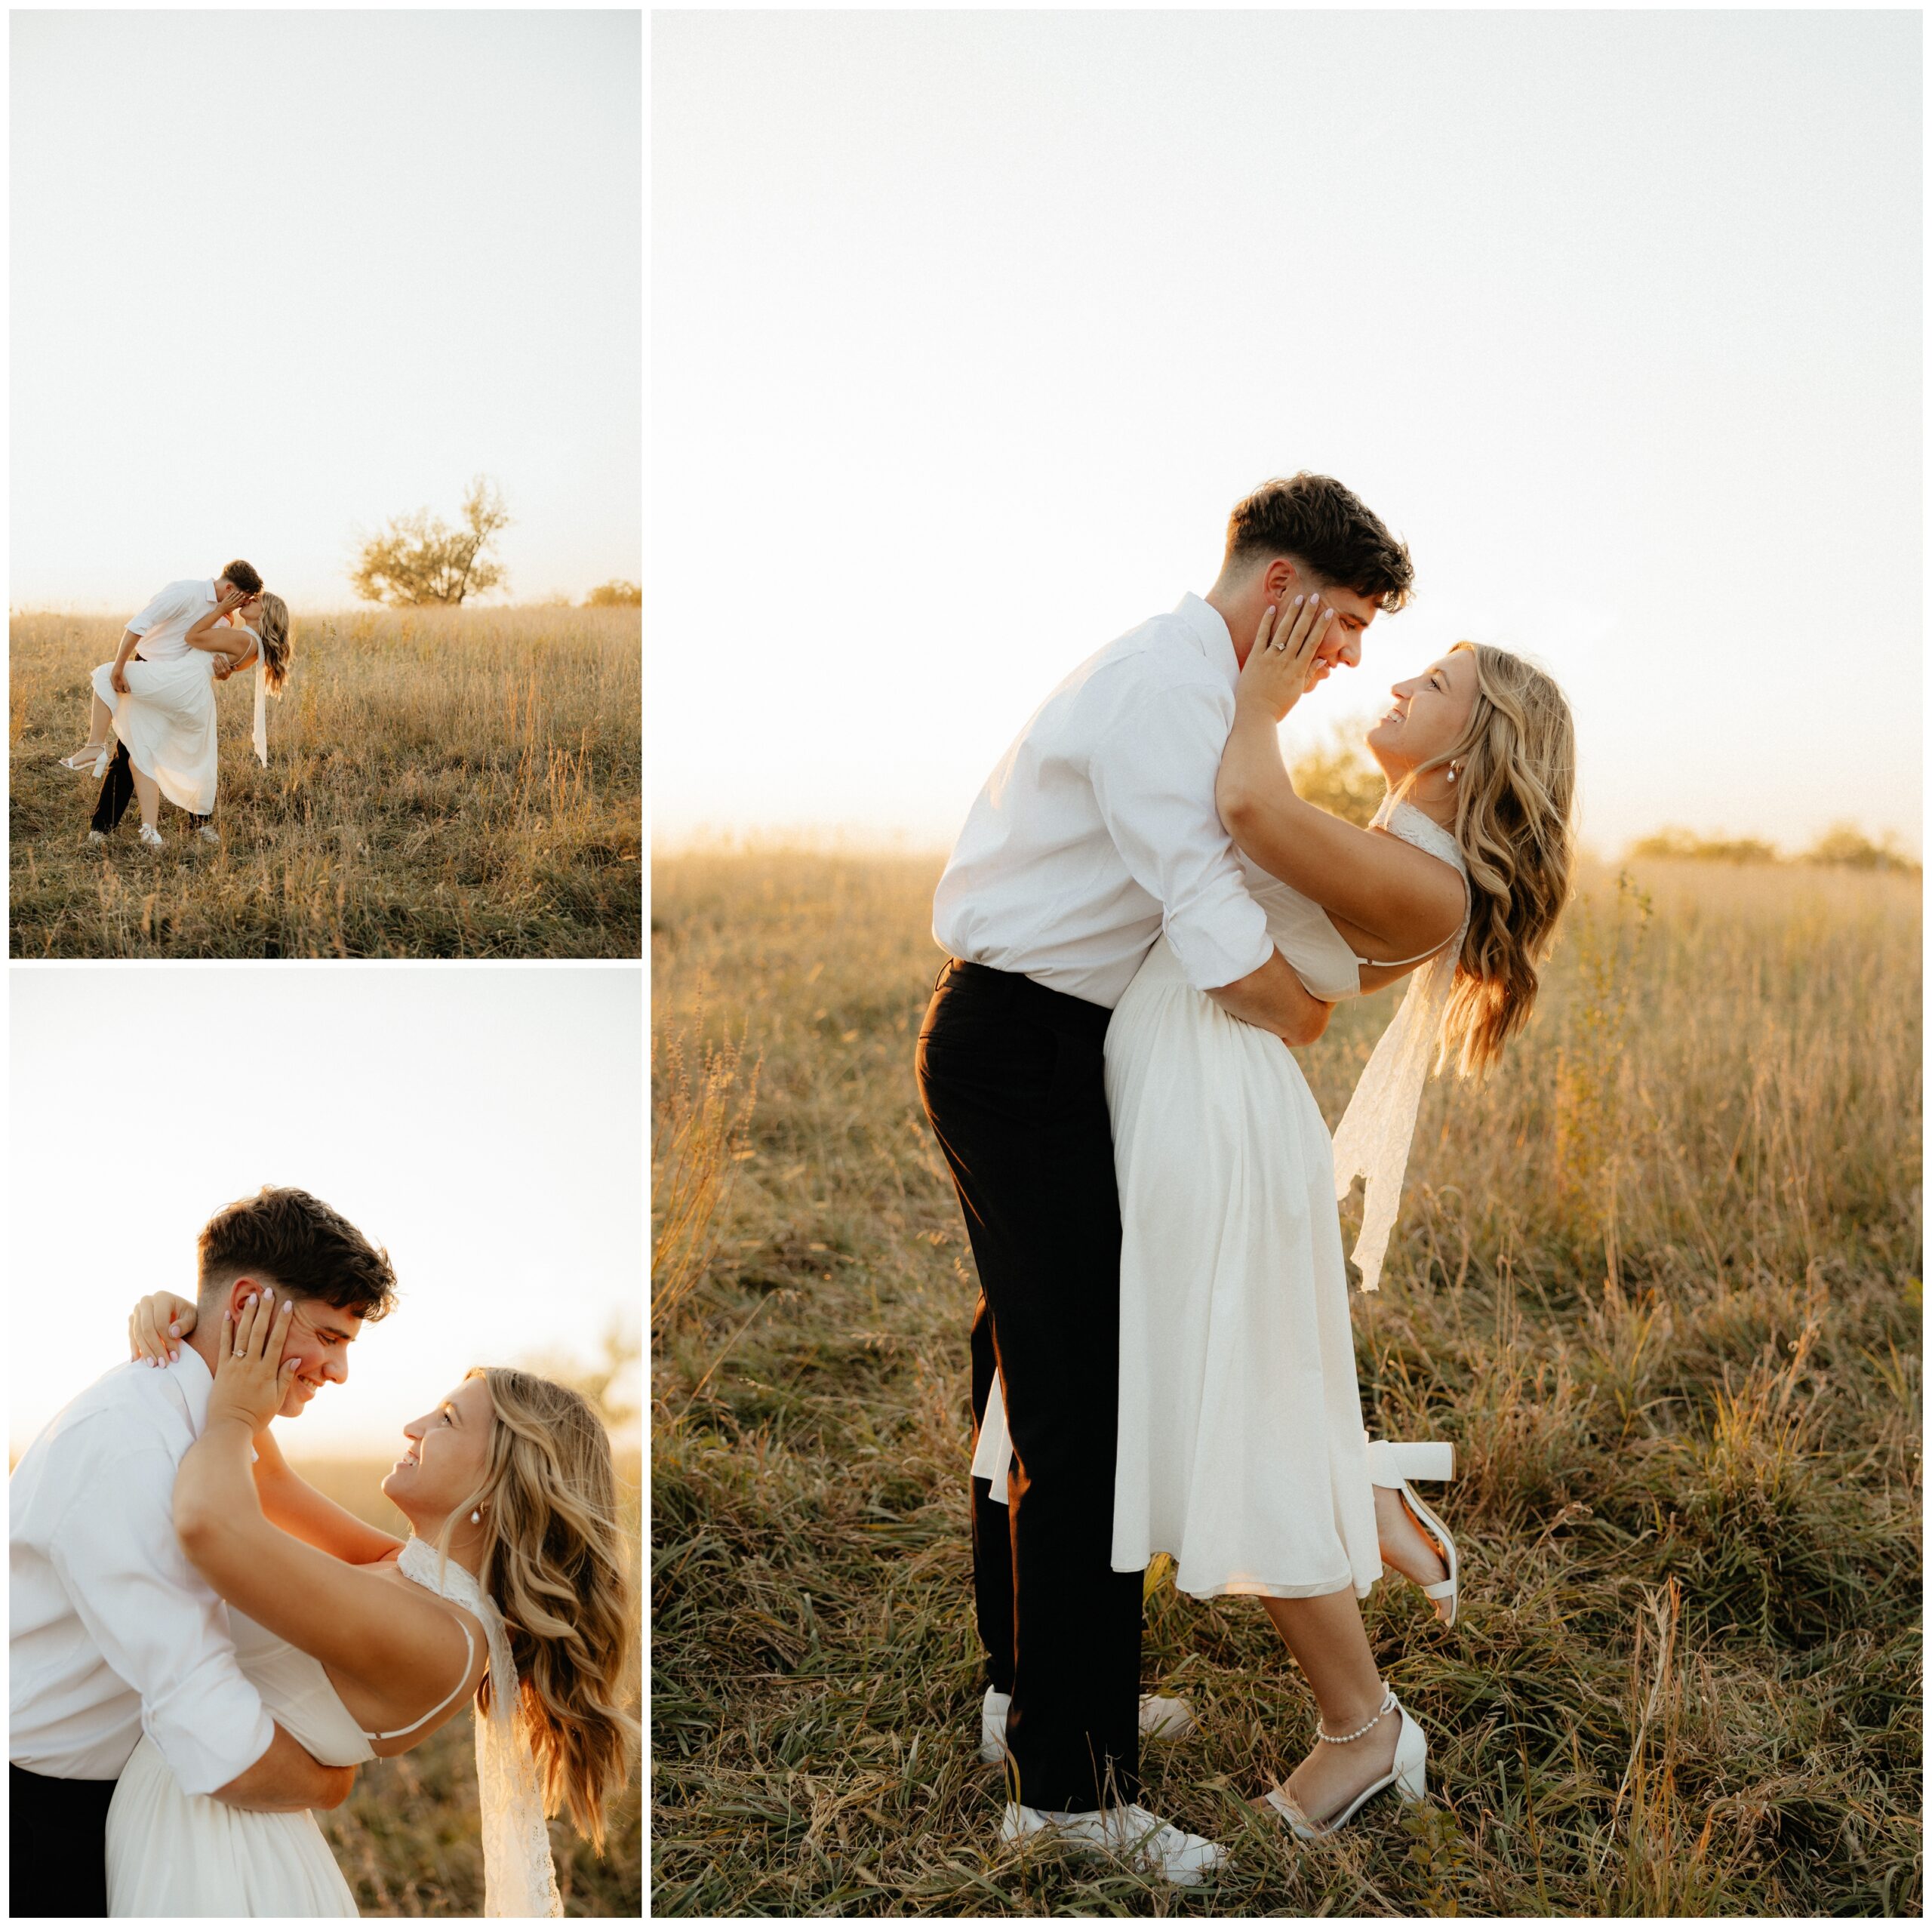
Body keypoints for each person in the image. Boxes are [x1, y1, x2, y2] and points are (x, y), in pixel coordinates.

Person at [980, 596, 1577, 1842]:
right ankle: (1359, 1499)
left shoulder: (1429, 878)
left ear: (1476, 745)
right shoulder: (1386, 836)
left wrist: (1255, 694)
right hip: (1175, 1093)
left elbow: (1246, 809)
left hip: (1214, 1120)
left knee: (1230, 1406)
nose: (1399, 682)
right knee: (1170, 1385)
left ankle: (1363, 1731)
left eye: (1439, 679)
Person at [916, 473, 1413, 1882]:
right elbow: (1220, 939)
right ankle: (1067, 1791)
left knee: (1024, 1366)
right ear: (1284, 594)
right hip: (1023, 1043)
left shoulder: (1200, 691)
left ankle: (1029, 1694)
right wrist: (1312, 1013)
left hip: (1056, 1043)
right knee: (1082, 1407)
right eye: (1349, 622)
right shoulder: (1164, 693)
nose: (1353, 657)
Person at [109, 1287, 641, 1916]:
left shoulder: (446, 1638)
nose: (413, 1426)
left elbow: (212, 1525)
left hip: (215, 1853)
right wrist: (202, 1328)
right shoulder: (410, 1573)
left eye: (446, 1419)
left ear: (499, 1484)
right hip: (195, 1816)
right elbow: (268, 1478)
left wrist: (228, 1416)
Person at [8, 1186, 395, 1919]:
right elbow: (207, 1721)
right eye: (330, 1337)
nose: (338, 1371)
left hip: (128, 1786)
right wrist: (330, 1782)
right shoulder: (130, 1449)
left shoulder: (213, 1425)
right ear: (247, 1304)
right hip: (41, 1821)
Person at [60, 565, 292, 848]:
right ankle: (136, 830)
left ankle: (95, 748)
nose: (247, 602)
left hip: (177, 684)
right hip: (162, 673)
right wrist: (123, 666)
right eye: (247, 597)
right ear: (231, 590)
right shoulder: (186, 592)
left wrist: (224, 666)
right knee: (137, 753)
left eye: (254, 601)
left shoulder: (230, 623)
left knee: (105, 678)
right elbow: (140, 624)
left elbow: (200, 644)